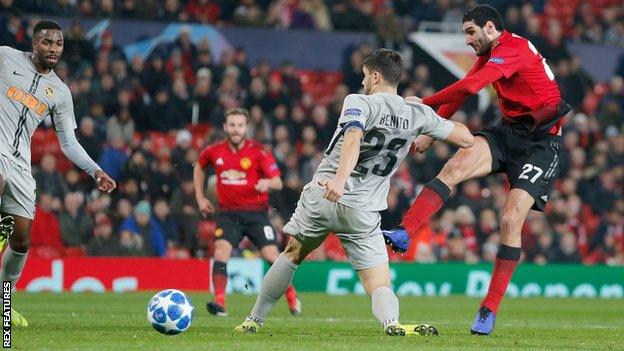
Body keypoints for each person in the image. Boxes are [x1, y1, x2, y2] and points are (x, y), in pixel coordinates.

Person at [235, 49, 474, 336]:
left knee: (292, 253)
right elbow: (466, 138)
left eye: (364, 77)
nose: (363, 83)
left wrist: (339, 179)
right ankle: (391, 323)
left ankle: (254, 320)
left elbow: (353, 137)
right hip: (363, 210)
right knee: (378, 281)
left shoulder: (358, 101)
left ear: (375, 76)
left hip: (325, 195)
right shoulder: (416, 114)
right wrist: (425, 111)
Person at [382, 5, 570, 336]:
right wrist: (432, 128)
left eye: (470, 32)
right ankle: (404, 231)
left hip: (542, 144)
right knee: (454, 165)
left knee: (511, 219)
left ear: (489, 27)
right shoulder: (491, 53)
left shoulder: (514, 49)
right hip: (510, 132)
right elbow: (465, 86)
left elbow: (469, 90)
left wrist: (421, 104)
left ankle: (488, 309)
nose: (467, 40)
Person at [0, 20, 116, 326]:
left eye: (59, 44)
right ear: (34, 43)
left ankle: (4, 304)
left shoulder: (61, 92)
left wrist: (96, 171)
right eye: (48, 42)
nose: (54, 49)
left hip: (21, 163)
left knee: (22, 238)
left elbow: (68, 142)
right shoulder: (5, 57)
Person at [194, 108, 301, 317]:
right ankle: (220, 303)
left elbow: (278, 182)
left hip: (256, 215)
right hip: (228, 215)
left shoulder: (259, 151)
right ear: (225, 127)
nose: (236, 129)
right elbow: (199, 165)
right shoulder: (214, 151)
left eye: (240, 125)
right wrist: (200, 197)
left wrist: (267, 182)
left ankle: (291, 295)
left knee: (273, 257)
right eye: (232, 125)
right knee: (220, 252)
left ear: (246, 128)